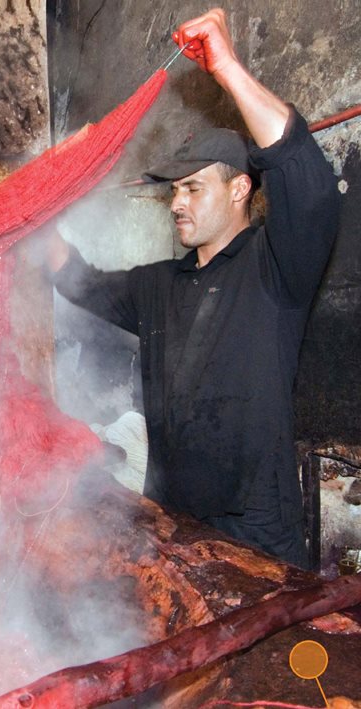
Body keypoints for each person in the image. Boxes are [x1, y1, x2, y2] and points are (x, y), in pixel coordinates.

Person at [48, 9, 340, 568]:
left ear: (239, 190)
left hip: (258, 528)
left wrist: (227, 67)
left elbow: (311, 188)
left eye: (192, 188)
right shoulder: (160, 283)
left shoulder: (274, 267)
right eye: (173, 191)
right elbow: (75, 279)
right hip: (174, 520)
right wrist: (35, 208)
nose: (177, 202)